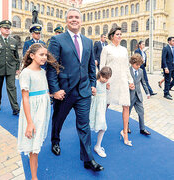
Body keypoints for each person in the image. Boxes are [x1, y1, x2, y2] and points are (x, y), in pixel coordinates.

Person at [47, 8, 104, 171]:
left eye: (76, 17)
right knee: (58, 119)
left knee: (84, 125)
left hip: (84, 91)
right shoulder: (57, 40)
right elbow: (52, 68)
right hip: (64, 92)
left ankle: (88, 159)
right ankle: (55, 140)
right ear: (66, 21)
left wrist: (93, 83)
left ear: (81, 20)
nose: (74, 19)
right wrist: (55, 90)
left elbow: (90, 66)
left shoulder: (88, 41)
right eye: (71, 17)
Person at [18, 43, 60, 180]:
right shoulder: (26, 73)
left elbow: (43, 92)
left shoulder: (43, 72)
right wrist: (29, 122)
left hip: (43, 110)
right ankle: (34, 177)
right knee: (33, 147)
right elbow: (25, 98)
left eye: (46, 55)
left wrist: (53, 95)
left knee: (36, 144)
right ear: (32, 56)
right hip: (33, 112)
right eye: (41, 55)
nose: (44, 57)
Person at [100, 26, 134, 146]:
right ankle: (99, 126)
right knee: (105, 105)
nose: (120, 36)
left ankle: (125, 133)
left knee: (126, 106)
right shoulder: (106, 49)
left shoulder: (124, 50)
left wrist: (130, 81)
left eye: (120, 34)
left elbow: (126, 67)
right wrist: (104, 81)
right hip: (110, 81)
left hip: (123, 81)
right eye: (117, 34)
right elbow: (102, 67)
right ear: (111, 36)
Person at [0, 20, 20, 114]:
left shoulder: (14, 41)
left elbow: (16, 56)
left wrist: (17, 68)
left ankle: (15, 108)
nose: (7, 30)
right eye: (5, 28)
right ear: (0, 29)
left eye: (8, 28)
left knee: (12, 87)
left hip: (11, 68)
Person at [89, 66, 112, 158]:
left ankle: (98, 145)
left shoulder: (105, 84)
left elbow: (105, 96)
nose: (105, 80)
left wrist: (107, 89)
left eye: (107, 78)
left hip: (101, 109)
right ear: (100, 75)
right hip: (94, 108)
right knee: (89, 124)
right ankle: (87, 144)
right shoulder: (96, 83)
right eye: (104, 77)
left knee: (103, 127)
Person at [129, 54, 151, 135]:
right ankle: (126, 127)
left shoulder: (141, 71)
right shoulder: (128, 71)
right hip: (129, 96)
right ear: (132, 63)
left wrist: (147, 92)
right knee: (127, 112)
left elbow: (143, 82)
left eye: (139, 65)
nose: (138, 66)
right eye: (136, 65)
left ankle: (142, 129)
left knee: (141, 112)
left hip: (138, 96)